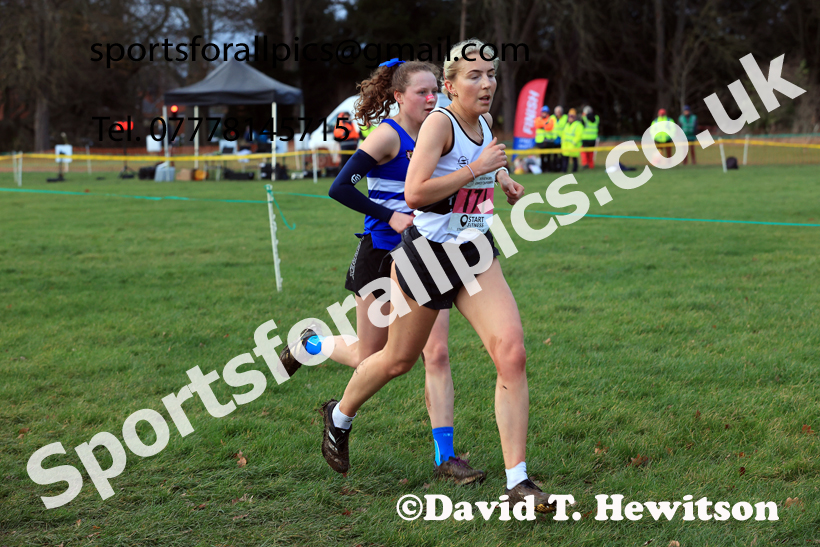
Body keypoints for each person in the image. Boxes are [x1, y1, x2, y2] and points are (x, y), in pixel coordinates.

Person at [319, 38, 556, 513]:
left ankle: (518, 483)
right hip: (426, 257)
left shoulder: (483, 121)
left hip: (474, 253)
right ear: (450, 86)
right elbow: (414, 193)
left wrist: (502, 178)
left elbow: (485, 167)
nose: (486, 83)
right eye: (475, 76)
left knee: (512, 352)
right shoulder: (438, 124)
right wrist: (476, 169)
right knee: (395, 360)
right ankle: (340, 417)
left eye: (491, 74)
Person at [280, 59, 486, 485]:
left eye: (436, 92)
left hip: (428, 254)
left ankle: (446, 457)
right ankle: (309, 344)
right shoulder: (386, 136)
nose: (432, 99)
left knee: (438, 352)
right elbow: (340, 187)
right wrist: (390, 216)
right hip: (381, 253)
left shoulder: (442, 129)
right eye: (422, 93)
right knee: (369, 357)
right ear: (398, 97)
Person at [560, 108, 584, 173]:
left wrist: (574, 142)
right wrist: (562, 141)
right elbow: (563, 134)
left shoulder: (578, 125)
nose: (570, 118)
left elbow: (579, 135)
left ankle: (575, 170)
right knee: (565, 159)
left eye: (571, 116)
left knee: (574, 159)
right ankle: (564, 170)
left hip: (573, 146)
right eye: (569, 116)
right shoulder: (567, 125)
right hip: (566, 146)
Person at [534, 105, 553, 172]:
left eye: (545, 112)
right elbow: (537, 125)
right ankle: (543, 169)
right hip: (540, 141)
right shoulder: (538, 119)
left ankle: (548, 169)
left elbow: (550, 127)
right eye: (543, 112)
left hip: (548, 141)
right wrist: (545, 125)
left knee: (548, 156)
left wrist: (543, 125)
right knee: (541, 156)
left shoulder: (550, 119)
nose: (544, 113)